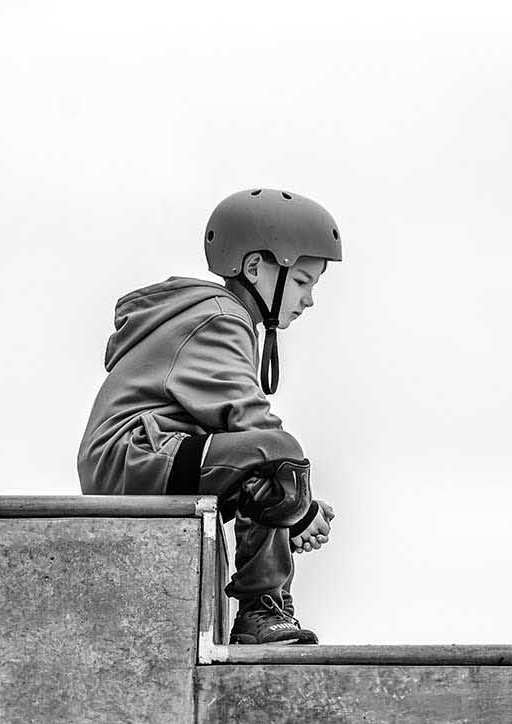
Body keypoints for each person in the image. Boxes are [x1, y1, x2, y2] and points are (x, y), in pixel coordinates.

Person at [77, 188, 341, 644]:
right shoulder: (220, 318)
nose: (309, 299)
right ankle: (262, 607)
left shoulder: (217, 316)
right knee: (277, 454)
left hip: (145, 456)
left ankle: (267, 606)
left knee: (264, 466)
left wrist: (288, 502)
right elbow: (250, 423)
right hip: (137, 454)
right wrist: (299, 509)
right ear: (256, 267)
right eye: (301, 281)